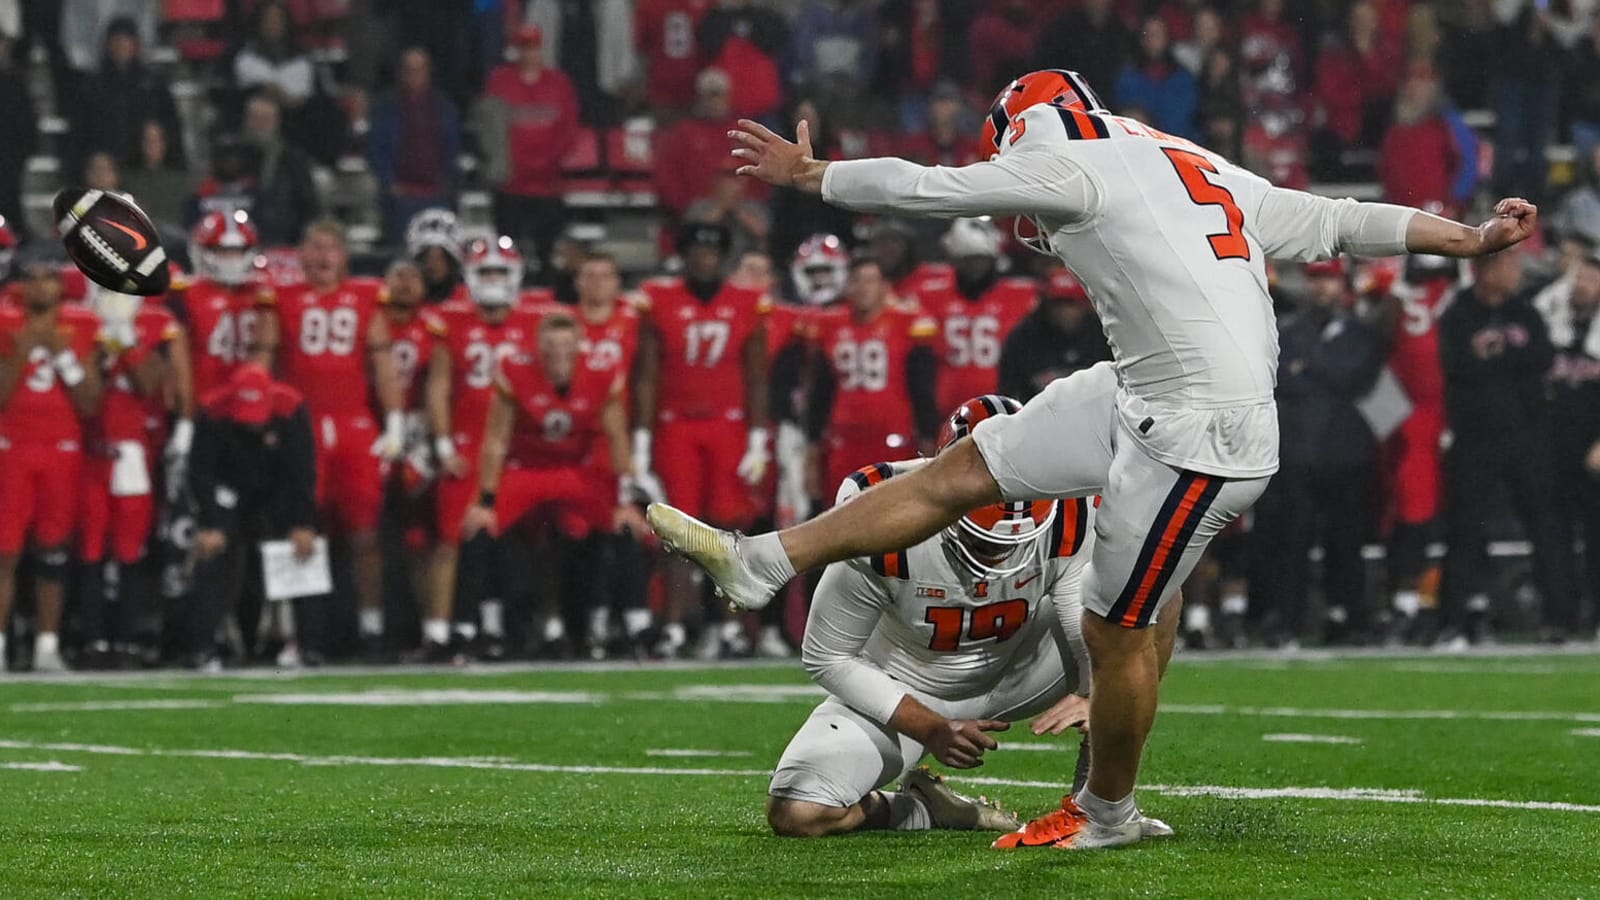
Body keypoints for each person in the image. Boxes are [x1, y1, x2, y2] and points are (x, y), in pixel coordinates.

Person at [650, 68, 1540, 849]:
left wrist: (814, 176)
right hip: (1142, 388)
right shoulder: (1184, 157)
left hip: (1202, 430)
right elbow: (1336, 219)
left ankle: (1106, 810)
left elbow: (933, 189)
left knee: (1118, 628)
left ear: (1020, 134)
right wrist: (1463, 238)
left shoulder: (1067, 160)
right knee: (967, 466)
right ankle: (764, 560)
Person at [768, 396, 1111, 839]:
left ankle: (1101, 802)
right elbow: (827, 655)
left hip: (1022, 669)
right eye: (983, 538)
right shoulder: (884, 512)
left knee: (1152, 604)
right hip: (910, 684)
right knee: (797, 812)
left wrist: (1096, 694)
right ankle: (924, 809)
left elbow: (1087, 617)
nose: (998, 553)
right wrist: (929, 726)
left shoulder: (1068, 507)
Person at [257, 220, 406, 658]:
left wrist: (394, 421)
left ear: (344, 255)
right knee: (301, 530)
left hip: (355, 425)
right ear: (301, 254)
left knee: (365, 532)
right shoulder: (279, 299)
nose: (324, 258)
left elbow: (382, 365)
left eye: (332, 249)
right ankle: (300, 634)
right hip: (301, 425)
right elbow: (262, 365)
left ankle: (371, 629)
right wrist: (264, 420)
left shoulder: (366, 298)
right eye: (316, 248)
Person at [633, 222, 771, 658]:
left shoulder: (748, 304)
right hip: (677, 425)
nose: (703, 260)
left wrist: (757, 438)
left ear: (723, 258)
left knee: (731, 530)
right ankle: (674, 624)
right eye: (696, 251)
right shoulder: (660, 300)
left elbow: (756, 377)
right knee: (678, 529)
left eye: (711, 253)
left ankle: (729, 624)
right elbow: (648, 376)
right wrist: (642, 439)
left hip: (728, 425)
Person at [461, 312, 633, 659]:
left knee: (627, 528)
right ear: (538, 347)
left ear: (580, 347)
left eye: (567, 345)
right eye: (551, 346)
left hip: (576, 471)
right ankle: (486, 629)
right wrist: (486, 500)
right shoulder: (517, 370)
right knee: (478, 529)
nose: (559, 354)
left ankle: (617, 626)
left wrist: (624, 499)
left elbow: (617, 437)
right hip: (528, 469)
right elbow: (496, 439)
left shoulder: (601, 372)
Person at [1438, 250, 1574, 647]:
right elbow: (1458, 366)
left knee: (1545, 527)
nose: (1516, 274)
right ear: (1488, 271)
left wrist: (1499, 357)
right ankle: (1454, 620)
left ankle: (1559, 618)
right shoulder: (1459, 312)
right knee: (1464, 530)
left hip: (1526, 436)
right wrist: (1508, 360)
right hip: (1476, 439)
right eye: (1510, 267)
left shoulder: (1525, 311)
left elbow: (1542, 357)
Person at [425, 236, 545, 660]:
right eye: (486, 272)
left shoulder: (536, 321)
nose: (493, 281)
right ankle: (439, 632)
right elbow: (438, 387)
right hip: (467, 441)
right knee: (450, 541)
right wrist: (441, 443)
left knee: (508, 543)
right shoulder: (452, 321)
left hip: (514, 447)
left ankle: (495, 628)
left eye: (500, 272)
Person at [1258, 259, 1385, 646]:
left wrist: (1305, 368)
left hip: (1344, 454)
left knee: (1345, 543)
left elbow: (1352, 376)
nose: (1321, 288)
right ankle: (1288, 622)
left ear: (1342, 286)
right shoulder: (1288, 331)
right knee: (1291, 543)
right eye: (1316, 280)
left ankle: (1345, 617)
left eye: (1328, 280)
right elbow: (1281, 377)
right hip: (1297, 453)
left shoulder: (1359, 333)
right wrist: (1314, 370)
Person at [76, 286, 188, 668]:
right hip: (90, 451)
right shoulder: (81, 324)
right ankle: (92, 639)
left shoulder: (156, 324)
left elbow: (146, 382)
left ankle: (126, 639)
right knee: (90, 548)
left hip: (132, 452)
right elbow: (86, 397)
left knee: (129, 550)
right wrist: (98, 351)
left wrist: (126, 342)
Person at [0, 256, 102, 671]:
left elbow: (90, 402)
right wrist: (19, 353)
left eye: (49, 278)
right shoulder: (5, 323)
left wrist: (64, 358)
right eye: (34, 278)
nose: (41, 287)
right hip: (12, 445)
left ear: (62, 288)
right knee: (4, 552)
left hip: (61, 447)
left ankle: (46, 646)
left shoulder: (79, 327)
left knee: (53, 553)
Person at [187, 363, 319, 669]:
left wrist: (303, 522)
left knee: (303, 549)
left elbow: (302, 471)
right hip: (230, 489)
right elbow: (201, 473)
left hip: (278, 487)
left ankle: (310, 644)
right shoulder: (212, 411)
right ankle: (202, 647)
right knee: (212, 552)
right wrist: (212, 522)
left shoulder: (291, 408)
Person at [805, 255, 941, 496]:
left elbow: (923, 390)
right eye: (856, 280)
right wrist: (813, 449)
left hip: (893, 438)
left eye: (870, 280)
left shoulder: (907, 323)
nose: (862, 288)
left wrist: (928, 441)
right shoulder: (830, 324)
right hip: (844, 439)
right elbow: (820, 393)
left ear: (885, 287)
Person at [380, 259, 450, 660]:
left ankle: (422, 629)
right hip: (375, 431)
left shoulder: (436, 326)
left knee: (422, 538)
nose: (405, 284)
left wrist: (432, 443)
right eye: (398, 275)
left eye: (413, 277)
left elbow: (441, 387)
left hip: (419, 435)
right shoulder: (371, 319)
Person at [1535, 249, 1600, 640]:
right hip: (1553, 448)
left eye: (1591, 280)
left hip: (1593, 450)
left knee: (1597, 538)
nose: (1582, 285)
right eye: (1579, 277)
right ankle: (1560, 618)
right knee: (1553, 538)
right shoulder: (1551, 321)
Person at [481, 25, 578, 282]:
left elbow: (568, 130)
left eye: (534, 48)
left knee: (547, 252)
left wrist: (547, 162)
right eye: (524, 48)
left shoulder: (559, 84)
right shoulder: (500, 82)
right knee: (507, 248)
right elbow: (491, 130)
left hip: (548, 185)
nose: (529, 54)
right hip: (510, 185)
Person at [921, 218, 1038, 413]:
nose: (974, 268)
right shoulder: (930, 295)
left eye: (980, 260)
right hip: (948, 407)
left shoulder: (1023, 295)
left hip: (1004, 405)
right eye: (967, 260)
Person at [368, 48, 461, 244]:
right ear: (401, 72)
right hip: (400, 197)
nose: (414, 75)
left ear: (428, 72)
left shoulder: (444, 107)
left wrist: (447, 181)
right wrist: (389, 182)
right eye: (410, 70)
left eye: (419, 69)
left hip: (437, 194)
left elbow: (452, 148)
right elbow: (376, 148)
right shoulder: (385, 107)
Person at [69, 16, 181, 176]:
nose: (121, 46)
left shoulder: (153, 84)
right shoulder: (91, 86)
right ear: (107, 45)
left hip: (143, 168)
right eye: (117, 40)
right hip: (105, 168)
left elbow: (170, 125)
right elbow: (80, 131)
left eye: (126, 40)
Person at [996, 266, 1111, 402]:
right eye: (1057, 304)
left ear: (1084, 305)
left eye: (1070, 304)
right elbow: (1009, 390)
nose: (1063, 312)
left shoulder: (1103, 336)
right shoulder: (1025, 337)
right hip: (1040, 417)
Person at [242, 93, 320, 247]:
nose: (261, 124)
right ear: (247, 120)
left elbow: (307, 201)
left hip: (284, 234)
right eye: (256, 118)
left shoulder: (294, 158)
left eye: (266, 119)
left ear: (277, 122)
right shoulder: (234, 156)